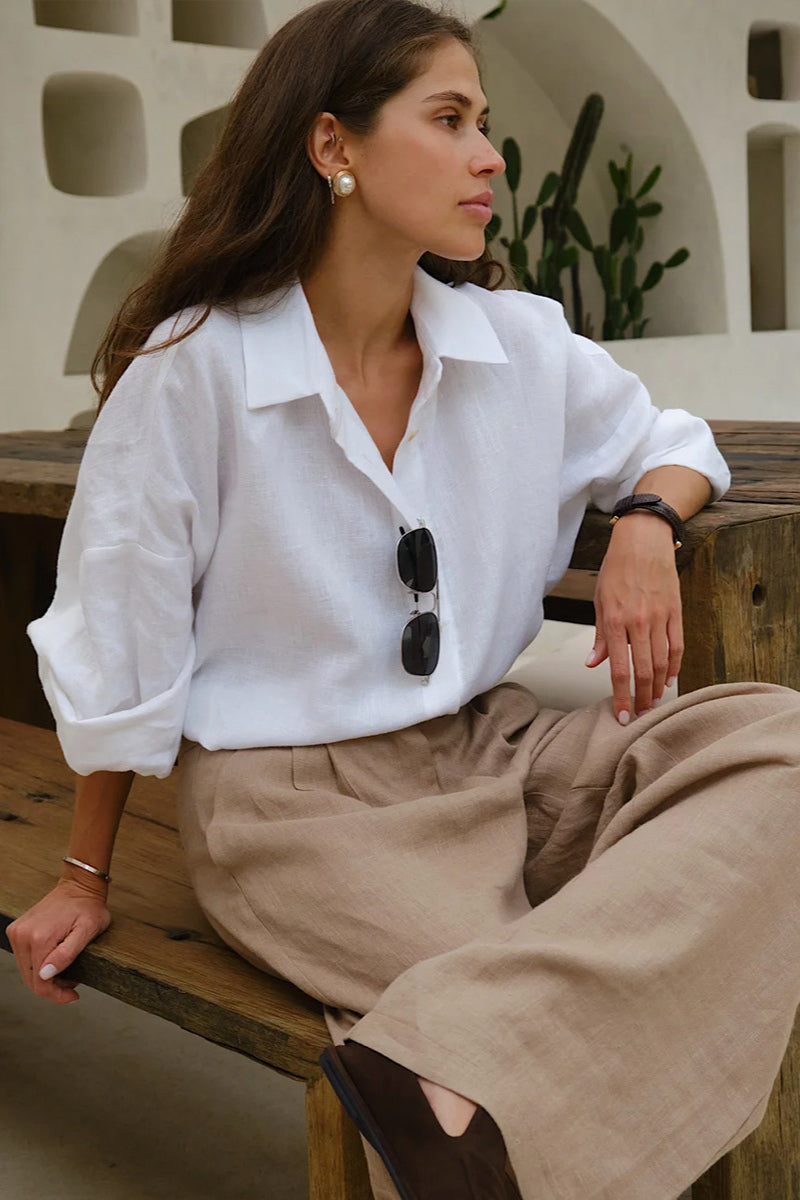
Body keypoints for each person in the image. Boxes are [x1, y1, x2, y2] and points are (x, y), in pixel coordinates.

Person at [8, 0, 800, 1197]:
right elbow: (124, 642)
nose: (490, 156)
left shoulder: (513, 342)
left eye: (483, 122)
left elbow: (671, 439)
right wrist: (84, 876)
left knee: (772, 747)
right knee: (523, 992)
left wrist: (645, 522)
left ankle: (437, 1082)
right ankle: (457, 1101)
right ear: (333, 144)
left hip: (494, 751)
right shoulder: (194, 370)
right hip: (292, 806)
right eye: (449, 119)